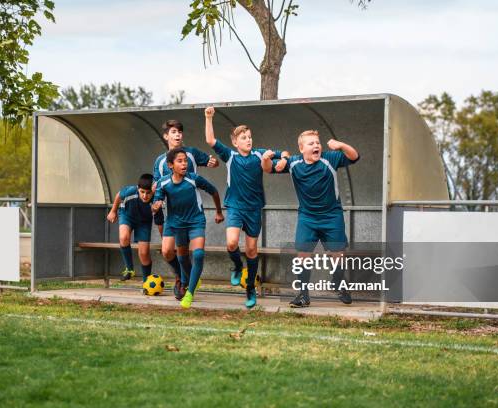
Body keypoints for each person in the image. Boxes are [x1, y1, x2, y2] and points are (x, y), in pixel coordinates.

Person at [204, 106, 289, 308]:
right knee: (232, 243)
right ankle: (236, 265)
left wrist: (283, 160)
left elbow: (284, 152)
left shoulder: (260, 154)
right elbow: (210, 140)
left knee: (251, 250)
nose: (248, 140)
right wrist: (208, 118)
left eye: (249, 137)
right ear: (235, 142)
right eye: (243, 138)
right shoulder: (230, 156)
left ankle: (250, 287)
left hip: (254, 209)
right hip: (235, 207)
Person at [263, 130, 359, 307]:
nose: (316, 146)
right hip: (307, 217)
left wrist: (341, 145)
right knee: (303, 256)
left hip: (332, 215)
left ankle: (338, 283)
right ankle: (303, 296)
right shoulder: (293, 163)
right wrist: (267, 160)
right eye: (311, 143)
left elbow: (354, 157)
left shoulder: (329, 159)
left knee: (337, 255)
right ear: (301, 148)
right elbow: (269, 169)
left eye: (317, 142)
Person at [153, 119, 219, 299]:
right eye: (174, 132)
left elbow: (213, 163)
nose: (178, 135)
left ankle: (185, 282)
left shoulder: (192, 154)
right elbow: (156, 185)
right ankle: (181, 276)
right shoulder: (160, 161)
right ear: (166, 136)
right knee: (168, 251)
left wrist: (212, 162)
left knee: (192, 252)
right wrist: (155, 198)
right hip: (172, 215)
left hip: (192, 212)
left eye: (180, 132)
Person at [107, 174, 164, 284]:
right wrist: (113, 211)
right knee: (124, 237)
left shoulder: (156, 201)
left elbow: (160, 223)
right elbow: (119, 195)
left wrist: (164, 241)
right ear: (138, 189)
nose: (145, 196)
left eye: (148, 193)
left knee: (144, 253)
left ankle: (146, 283)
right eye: (142, 192)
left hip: (144, 222)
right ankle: (129, 269)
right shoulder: (131, 191)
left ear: (153, 190)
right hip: (127, 215)